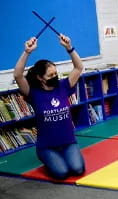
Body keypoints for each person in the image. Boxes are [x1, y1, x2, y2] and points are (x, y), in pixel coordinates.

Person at [13, 34, 85, 180]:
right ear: (40, 78)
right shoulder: (32, 92)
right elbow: (18, 75)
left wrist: (69, 48)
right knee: (61, 173)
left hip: (68, 142)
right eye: (50, 75)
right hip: (47, 146)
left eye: (55, 73)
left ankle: (62, 156)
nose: (55, 77)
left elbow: (79, 67)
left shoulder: (63, 86)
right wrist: (27, 52)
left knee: (77, 170)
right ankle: (48, 159)